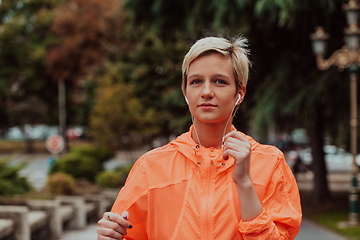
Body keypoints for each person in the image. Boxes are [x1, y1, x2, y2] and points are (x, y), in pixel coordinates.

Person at [97, 36, 302, 240]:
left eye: (219, 81)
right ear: (185, 91)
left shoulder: (271, 164)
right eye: (196, 81)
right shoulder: (150, 167)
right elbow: (125, 234)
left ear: (239, 92)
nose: (206, 92)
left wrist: (245, 184)